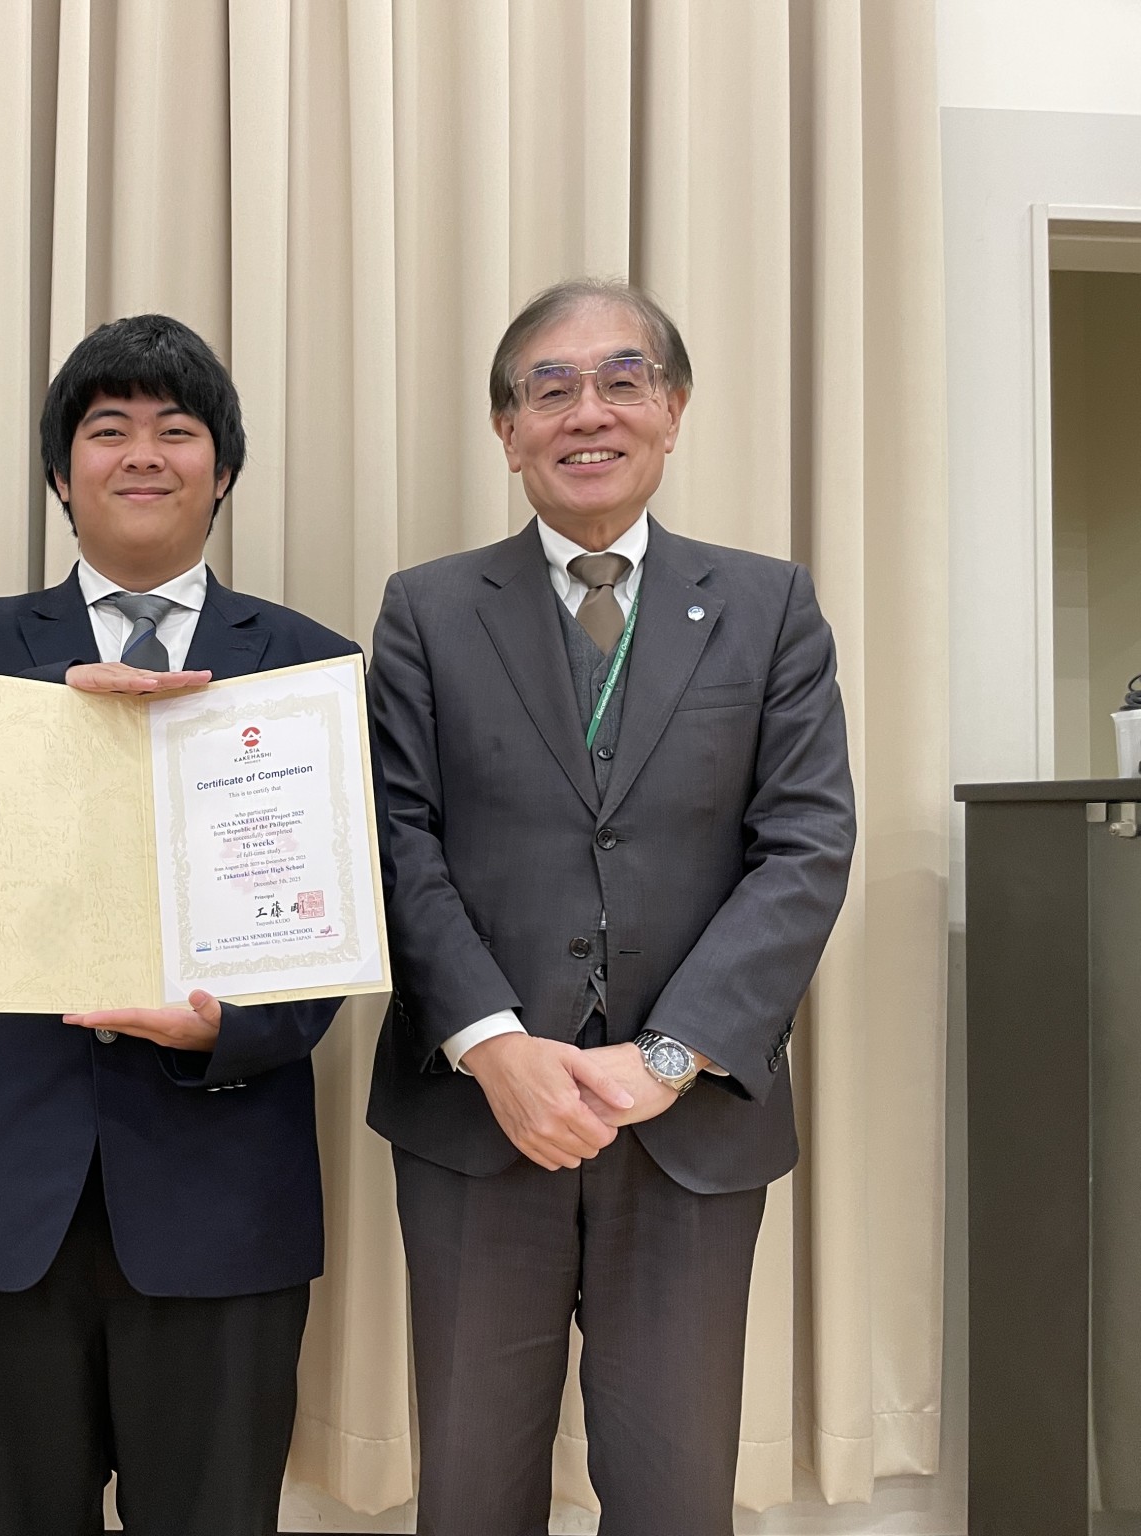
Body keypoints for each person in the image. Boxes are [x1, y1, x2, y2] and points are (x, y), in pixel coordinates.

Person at [0, 314, 356, 1536]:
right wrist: (42, 713)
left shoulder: (305, 665)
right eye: (107, 429)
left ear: (220, 473)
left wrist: (230, 1031)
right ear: (60, 474)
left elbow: (332, 919)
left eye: (176, 431)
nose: (142, 454)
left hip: (222, 1194)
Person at [367, 279, 857, 1536]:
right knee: (470, 1491)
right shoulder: (426, 611)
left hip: (687, 1129)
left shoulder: (766, 606)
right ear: (506, 429)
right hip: (479, 1120)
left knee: (675, 1494)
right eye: (549, 388)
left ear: (672, 410)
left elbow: (804, 846)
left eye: (620, 380)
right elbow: (394, 841)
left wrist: (667, 1055)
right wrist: (494, 1046)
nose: (585, 412)